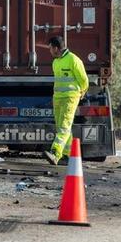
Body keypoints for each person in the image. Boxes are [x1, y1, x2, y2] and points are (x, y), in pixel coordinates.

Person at [43, 36, 89, 165]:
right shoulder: (56, 62)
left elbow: (84, 80)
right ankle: (67, 155)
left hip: (70, 98)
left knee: (64, 126)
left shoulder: (73, 60)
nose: (50, 51)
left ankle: (55, 153)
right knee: (61, 127)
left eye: (50, 48)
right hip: (58, 98)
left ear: (56, 48)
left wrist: (82, 92)